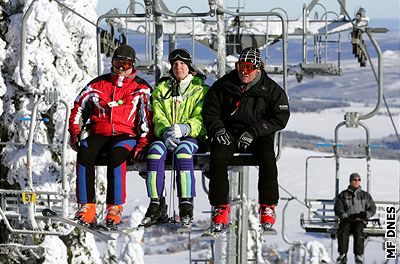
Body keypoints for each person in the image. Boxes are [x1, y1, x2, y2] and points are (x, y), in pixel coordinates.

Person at [202, 47, 290, 230]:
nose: (244, 72)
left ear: (258, 68)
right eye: (241, 66)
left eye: (249, 67)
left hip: (257, 133)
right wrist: (217, 129)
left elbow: (280, 116)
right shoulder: (224, 85)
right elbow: (210, 110)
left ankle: (267, 206)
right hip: (229, 131)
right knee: (218, 157)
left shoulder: (270, 89)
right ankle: (220, 207)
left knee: (267, 158)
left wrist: (255, 131)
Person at [68, 44, 154, 228]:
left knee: (117, 156)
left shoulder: (140, 88)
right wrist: (75, 132)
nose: (121, 69)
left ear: (132, 66)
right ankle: (87, 206)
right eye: (117, 63)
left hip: (126, 134)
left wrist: (143, 143)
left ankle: (114, 207)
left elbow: (147, 118)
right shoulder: (97, 85)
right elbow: (78, 108)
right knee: (84, 151)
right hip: (100, 131)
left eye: (125, 64)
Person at [141, 48, 209, 226]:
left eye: (182, 64)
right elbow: (158, 114)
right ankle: (156, 202)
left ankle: (186, 202)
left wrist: (186, 128)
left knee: (183, 152)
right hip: (166, 135)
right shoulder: (162, 88)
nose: (179, 67)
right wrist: (165, 131)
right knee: (155, 152)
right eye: (175, 64)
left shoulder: (200, 89)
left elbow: (202, 118)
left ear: (189, 66)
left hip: (191, 137)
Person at [334, 173, 376, 264]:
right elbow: (338, 207)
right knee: (343, 229)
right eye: (354, 179)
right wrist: (344, 216)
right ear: (350, 181)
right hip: (347, 220)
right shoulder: (343, 194)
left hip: (359, 220)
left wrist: (365, 214)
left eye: (358, 180)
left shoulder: (365, 195)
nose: (357, 181)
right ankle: (343, 255)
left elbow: (372, 208)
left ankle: (358, 255)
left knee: (358, 229)